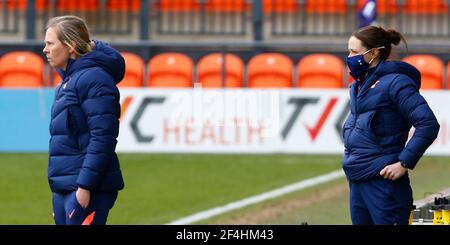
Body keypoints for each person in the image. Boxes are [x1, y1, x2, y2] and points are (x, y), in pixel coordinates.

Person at [342, 25, 440, 225]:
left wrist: (404, 163)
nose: (349, 56)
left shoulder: (397, 83)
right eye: (349, 51)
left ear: (374, 53)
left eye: (354, 52)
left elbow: (428, 124)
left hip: (385, 185)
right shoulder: (358, 86)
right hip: (358, 181)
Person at [43, 15, 125, 225]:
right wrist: (60, 192)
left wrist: (85, 186)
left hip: (86, 189)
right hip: (65, 188)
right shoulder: (66, 83)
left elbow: (102, 137)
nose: (45, 49)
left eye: (50, 43)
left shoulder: (95, 79)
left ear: (70, 46)